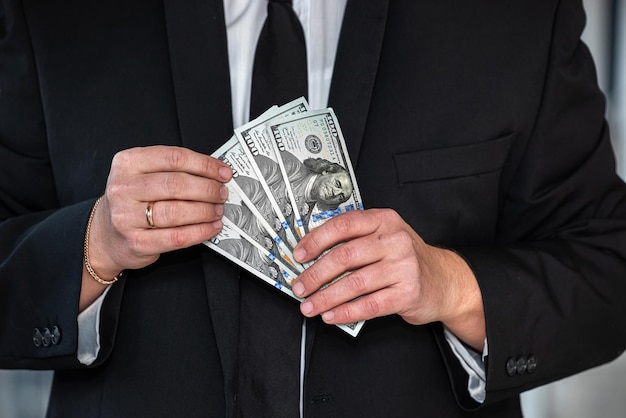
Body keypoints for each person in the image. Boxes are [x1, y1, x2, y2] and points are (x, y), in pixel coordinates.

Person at [1, 1, 626, 418]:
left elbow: (607, 270)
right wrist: (92, 246)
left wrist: (451, 285)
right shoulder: (55, 16)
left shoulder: (514, 18)